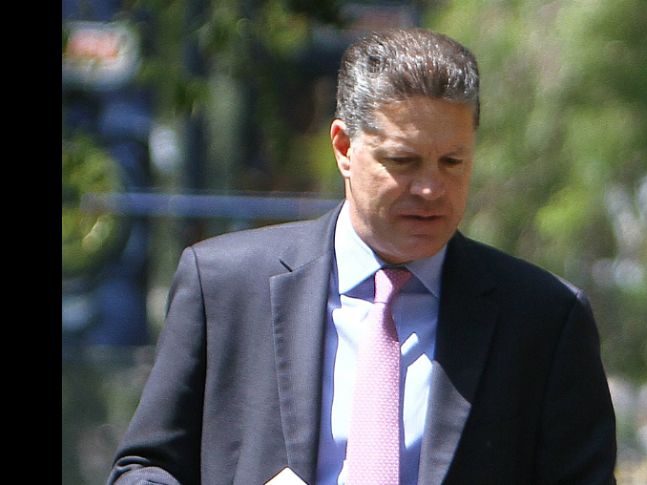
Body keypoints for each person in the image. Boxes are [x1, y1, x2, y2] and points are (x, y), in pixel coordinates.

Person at [107, 28, 617, 485]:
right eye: (403, 161)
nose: (430, 188)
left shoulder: (544, 318)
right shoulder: (223, 286)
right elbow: (144, 470)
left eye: (452, 162)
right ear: (343, 148)